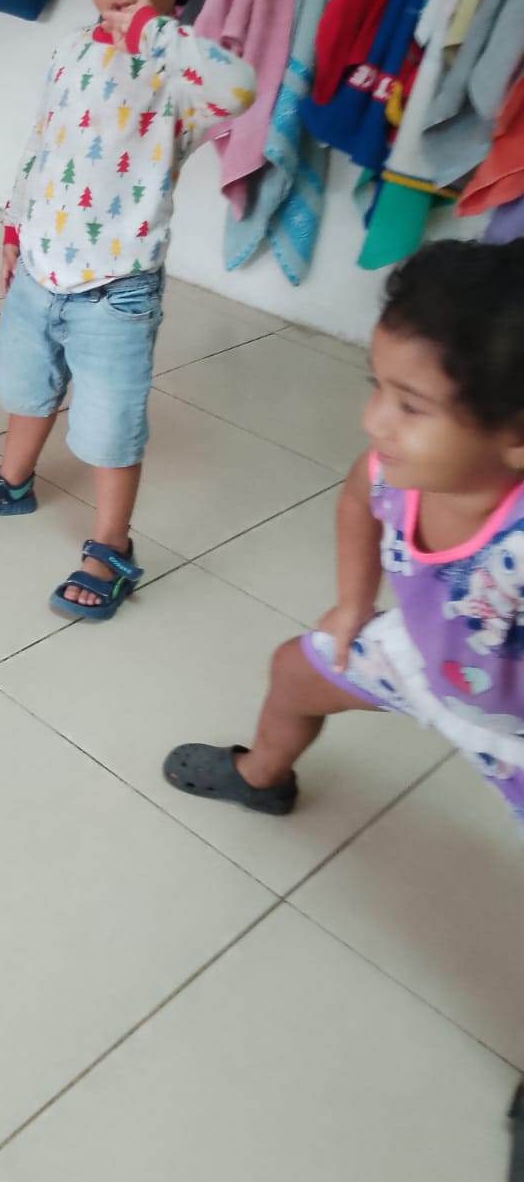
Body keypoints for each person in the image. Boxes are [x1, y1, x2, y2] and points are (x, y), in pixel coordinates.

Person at [0, 0, 256, 620]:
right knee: (25, 386)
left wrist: (152, 32)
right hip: (41, 268)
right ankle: (13, 480)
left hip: (116, 290)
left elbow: (239, 88)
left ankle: (112, 543)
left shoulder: (178, 70)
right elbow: (42, 144)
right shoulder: (73, 52)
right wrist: (15, 226)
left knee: (110, 428)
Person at [163, 239, 524, 823]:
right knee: (293, 673)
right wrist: (354, 602)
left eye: (411, 406)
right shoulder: (390, 473)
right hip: (420, 660)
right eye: (376, 384)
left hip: (516, 734)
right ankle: (261, 776)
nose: (373, 420)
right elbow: (358, 504)